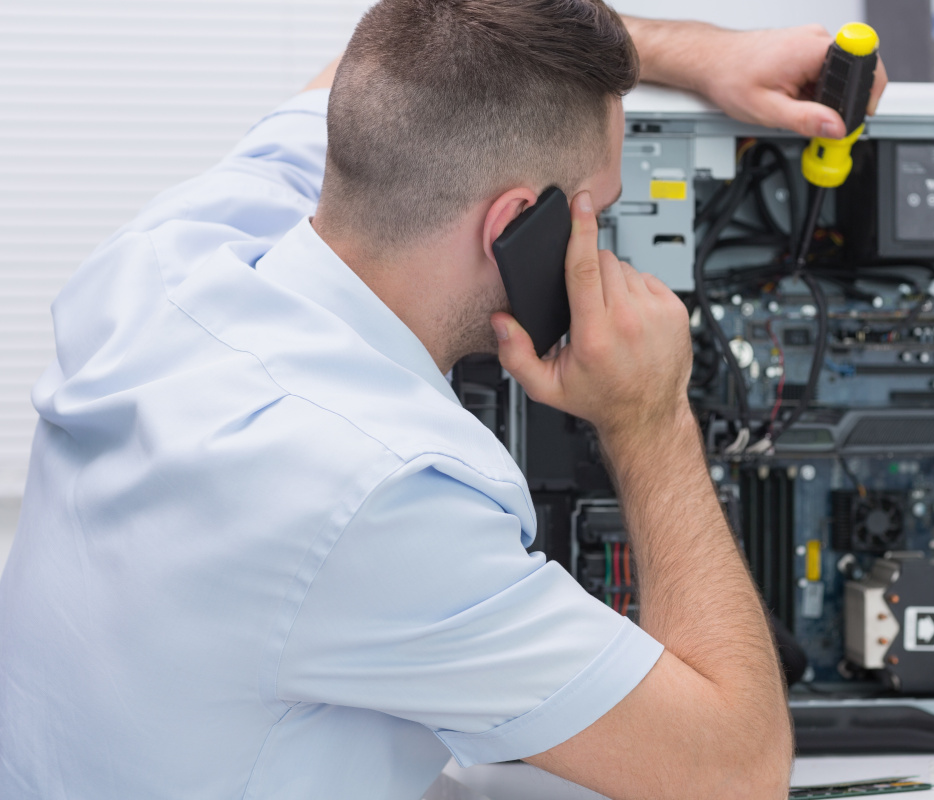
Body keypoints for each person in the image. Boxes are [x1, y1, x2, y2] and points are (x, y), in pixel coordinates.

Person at [0, 2, 886, 798]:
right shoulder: (371, 494)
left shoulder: (175, 251)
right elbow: (734, 776)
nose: (606, 251)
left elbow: (403, 52)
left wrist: (697, 56)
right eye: (596, 217)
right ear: (515, 231)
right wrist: (650, 418)